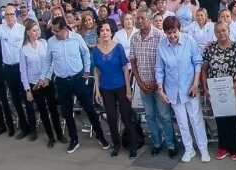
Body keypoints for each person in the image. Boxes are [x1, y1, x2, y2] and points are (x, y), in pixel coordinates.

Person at [42, 16, 107, 154]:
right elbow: (47, 62)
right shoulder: (51, 42)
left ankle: (100, 136)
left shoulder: (77, 38)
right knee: (67, 112)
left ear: (64, 28)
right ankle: (74, 140)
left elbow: (86, 54)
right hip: (61, 81)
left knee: (89, 108)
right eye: (52, 30)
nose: (54, 33)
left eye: (56, 31)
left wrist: (87, 71)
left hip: (78, 78)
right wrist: (44, 77)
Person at [156, 16, 208, 163]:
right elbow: (159, 68)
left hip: (190, 87)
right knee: (182, 123)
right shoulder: (162, 45)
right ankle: (189, 149)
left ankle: (203, 149)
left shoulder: (188, 40)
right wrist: (160, 89)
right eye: (168, 33)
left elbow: (197, 62)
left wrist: (195, 83)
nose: (172, 36)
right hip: (173, 90)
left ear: (179, 29)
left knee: (195, 119)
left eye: (174, 32)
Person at [130, 9, 177, 158]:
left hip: (159, 85)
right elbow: (133, 61)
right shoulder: (135, 37)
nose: (139, 21)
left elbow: (166, 62)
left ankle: (171, 144)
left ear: (150, 19)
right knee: (150, 116)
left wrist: (158, 83)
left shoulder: (160, 36)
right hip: (143, 85)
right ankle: (157, 143)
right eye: (137, 18)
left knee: (165, 115)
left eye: (142, 18)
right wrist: (139, 82)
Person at [92, 22, 137, 158]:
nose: (105, 32)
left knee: (126, 117)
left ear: (111, 32)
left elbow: (125, 68)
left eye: (107, 30)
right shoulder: (95, 50)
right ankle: (116, 144)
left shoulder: (118, 48)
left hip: (121, 87)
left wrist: (128, 89)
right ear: (99, 33)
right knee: (111, 118)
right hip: (106, 88)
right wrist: (97, 90)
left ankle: (132, 145)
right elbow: (96, 70)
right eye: (102, 30)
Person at [202, 20, 236, 161]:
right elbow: (205, 68)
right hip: (215, 90)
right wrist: (205, 87)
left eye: (224, 30)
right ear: (215, 33)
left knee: (233, 119)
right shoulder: (210, 48)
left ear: (229, 30)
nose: (221, 33)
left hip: (233, 89)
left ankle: (235, 147)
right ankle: (223, 147)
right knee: (220, 119)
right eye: (218, 31)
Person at [20, 20, 66, 148]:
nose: (37, 32)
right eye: (34, 30)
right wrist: (27, 90)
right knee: (43, 111)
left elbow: (51, 62)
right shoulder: (24, 49)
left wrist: (47, 78)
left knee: (53, 109)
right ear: (28, 33)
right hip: (35, 84)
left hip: (47, 82)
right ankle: (51, 137)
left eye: (38, 30)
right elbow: (23, 71)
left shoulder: (44, 43)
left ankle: (59, 134)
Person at [0, 4, 30, 137]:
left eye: (12, 14)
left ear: (16, 15)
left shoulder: (22, 29)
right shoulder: (0, 29)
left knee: (26, 98)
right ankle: (24, 128)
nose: (9, 17)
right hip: (8, 69)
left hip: (21, 68)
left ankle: (32, 128)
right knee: (15, 100)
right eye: (7, 14)